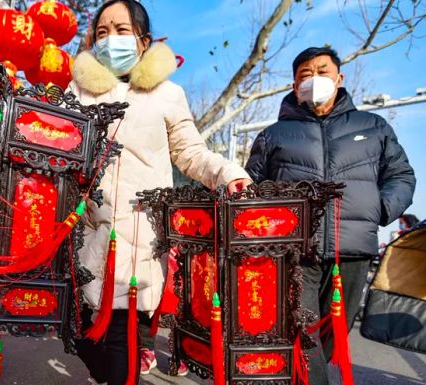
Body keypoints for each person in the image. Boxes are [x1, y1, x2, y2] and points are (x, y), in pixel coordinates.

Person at [68, 1, 252, 383]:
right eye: (101, 32)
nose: (109, 39)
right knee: (77, 334)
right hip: (84, 231)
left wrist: (228, 174)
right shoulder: (78, 92)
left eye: (120, 30)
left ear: (142, 39)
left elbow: (191, 153)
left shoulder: (167, 94)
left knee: (121, 337)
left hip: (138, 235)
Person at [245, 46, 416, 385]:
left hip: (352, 249)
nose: (314, 79)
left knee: (333, 334)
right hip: (295, 250)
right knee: (302, 329)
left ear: (338, 78)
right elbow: (252, 188)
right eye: (305, 75)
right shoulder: (273, 135)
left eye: (322, 71)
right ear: (294, 86)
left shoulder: (374, 126)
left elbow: (401, 176)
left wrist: (378, 210)